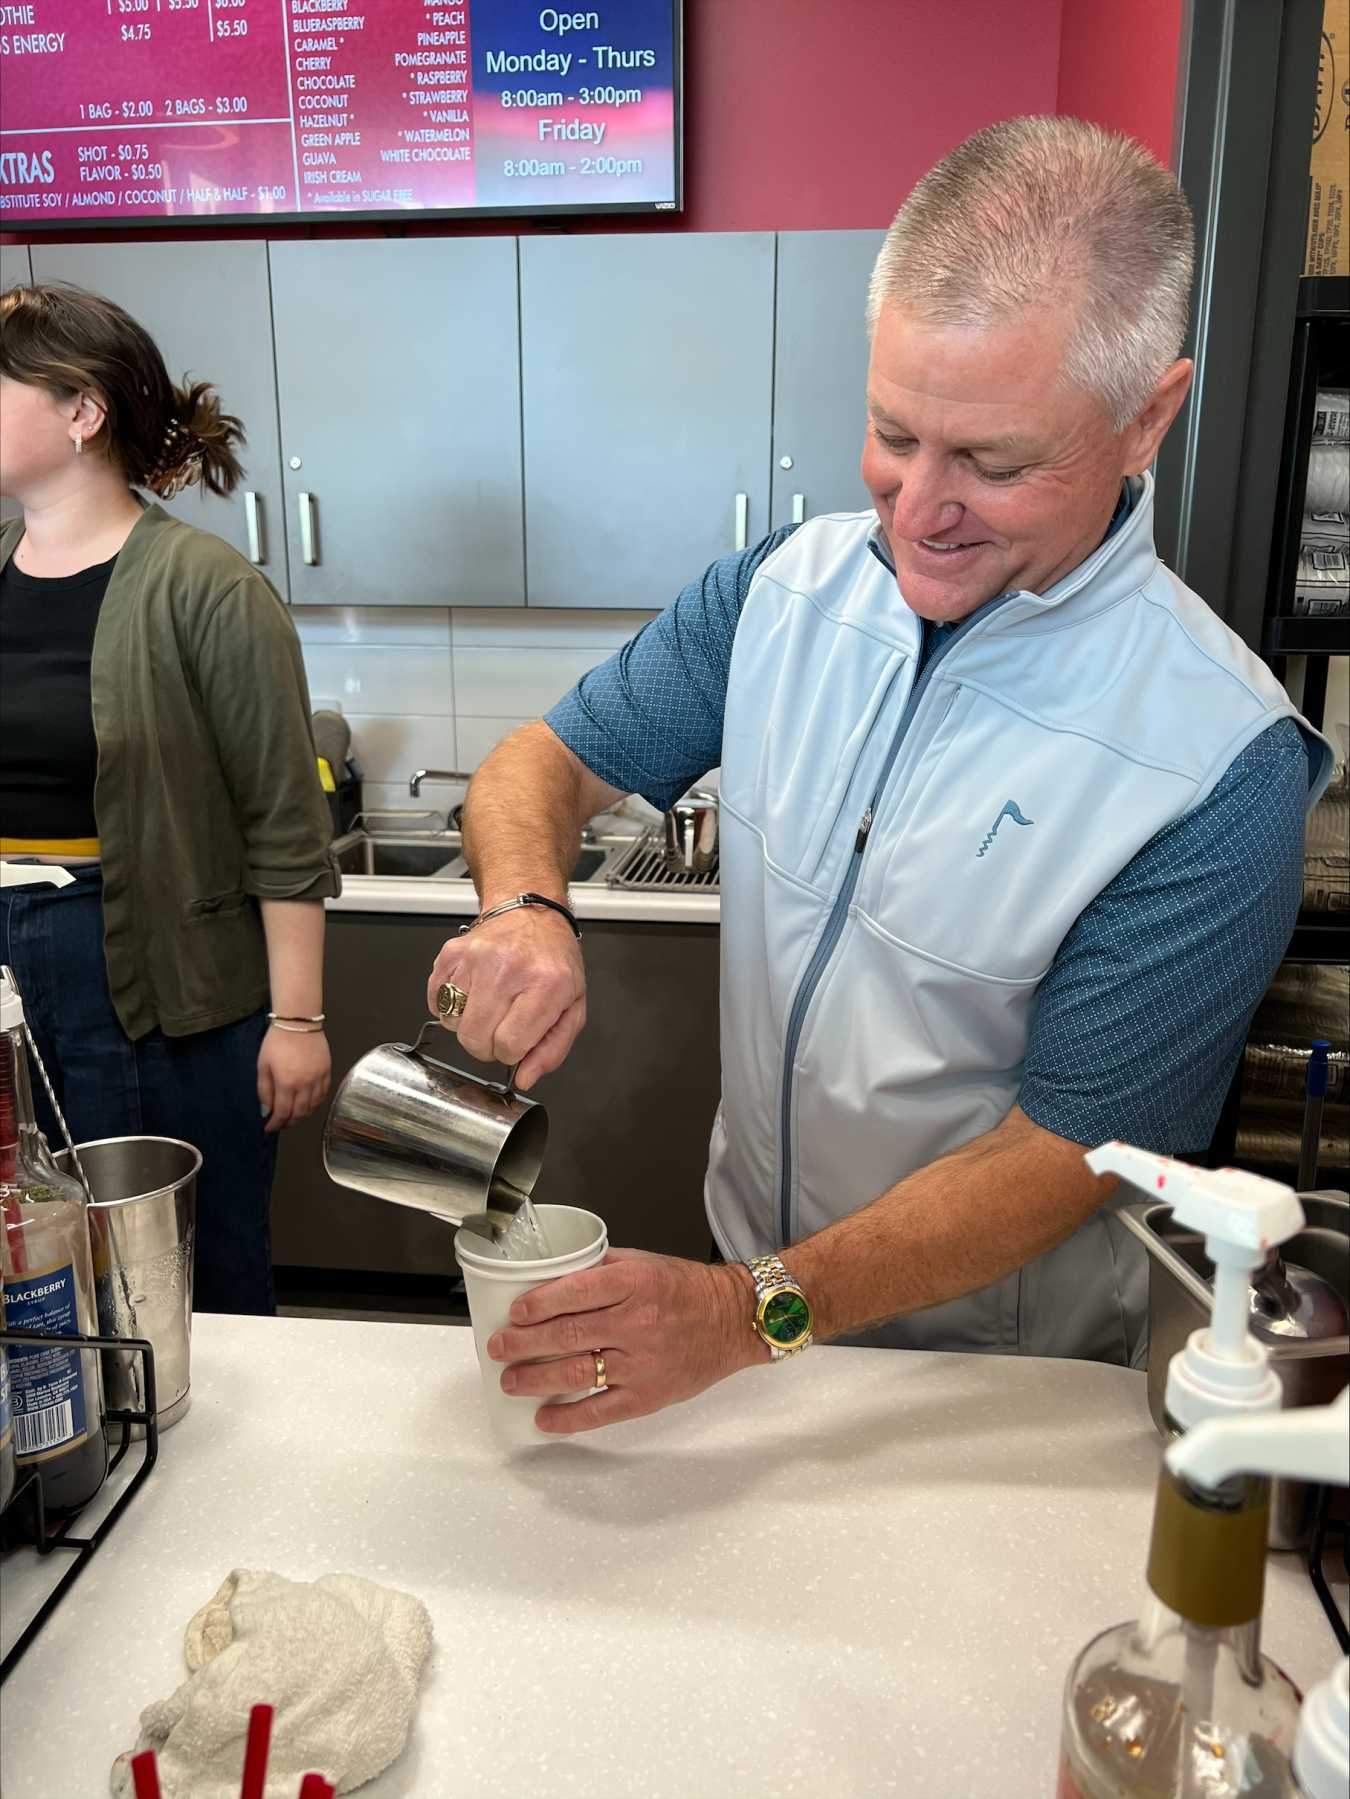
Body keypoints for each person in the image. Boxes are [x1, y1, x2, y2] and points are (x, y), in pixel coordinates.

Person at [428, 117, 1332, 1431]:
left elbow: (1059, 1158)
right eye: (892, 433)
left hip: (991, 1388)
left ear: (1146, 416)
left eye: (992, 460)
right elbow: (543, 762)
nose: (915, 510)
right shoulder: (778, 593)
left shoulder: (1213, 762)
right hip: (746, 1329)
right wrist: (523, 903)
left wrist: (752, 1311)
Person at [0, 283, 339, 1314]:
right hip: (14, 978)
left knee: (185, 1283)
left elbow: (286, 824)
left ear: (80, 411)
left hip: (158, 989)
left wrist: (298, 1018)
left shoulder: (208, 588)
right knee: (45, 1274)